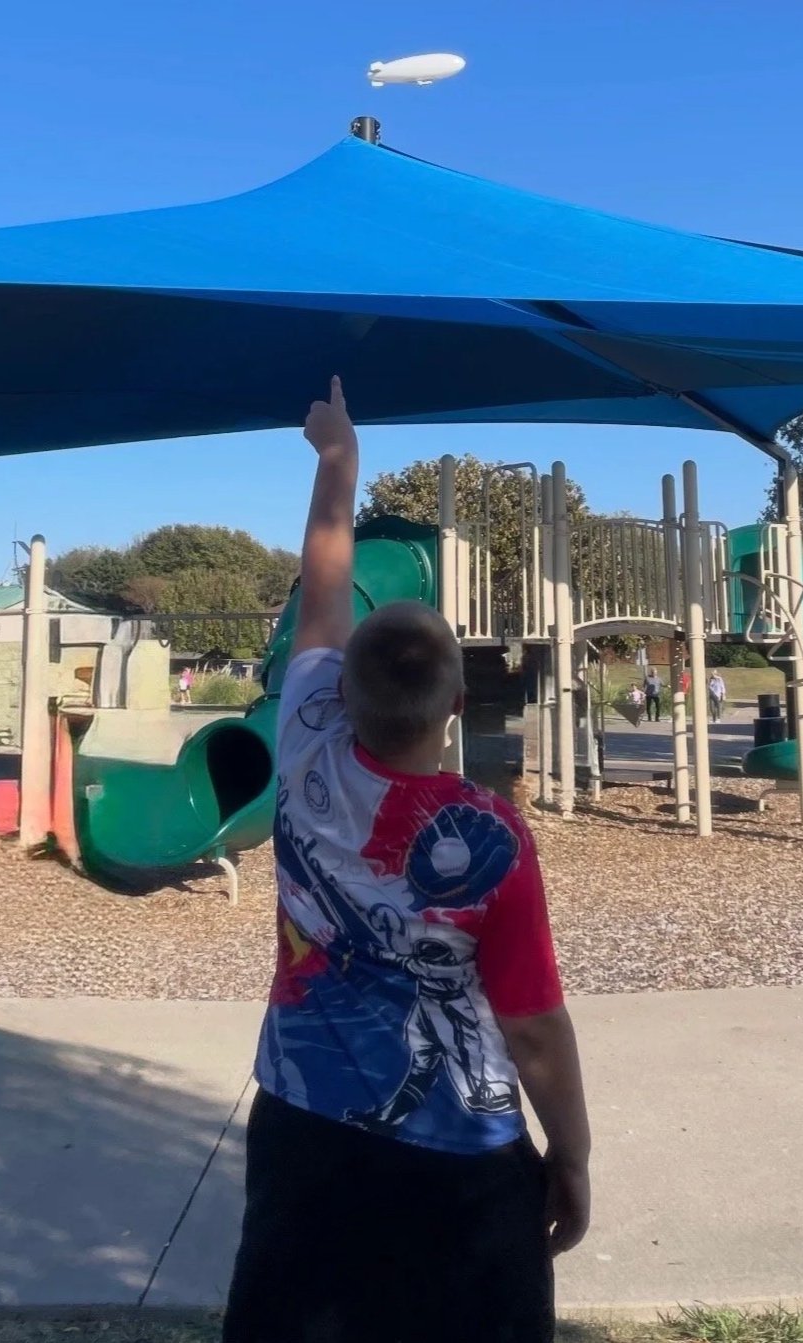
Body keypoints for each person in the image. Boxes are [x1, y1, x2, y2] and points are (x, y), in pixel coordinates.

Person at [224, 379, 591, 1343]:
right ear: (456, 710)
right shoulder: (492, 838)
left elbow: (323, 588)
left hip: (302, 1118)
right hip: (458, 1151)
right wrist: (573, 1152)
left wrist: (336, 459)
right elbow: (534, 1026)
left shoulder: (303, 736)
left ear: (335, 685)